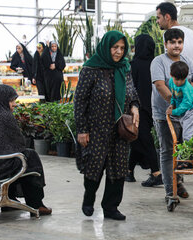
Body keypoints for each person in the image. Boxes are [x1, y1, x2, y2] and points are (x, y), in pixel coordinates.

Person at [74, 30, 140, 221]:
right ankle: (88, 200)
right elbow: (80, 101)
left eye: (122, 48)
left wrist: (135, 106)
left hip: (120, 128)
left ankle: (111, 207)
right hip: (97, 128)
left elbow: (131, 91)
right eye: (115, 47)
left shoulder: (124, 67)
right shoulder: (91, 69)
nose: (119, 52)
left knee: (118, 168)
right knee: (94, 166)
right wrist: (82, 130)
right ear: (106, 47)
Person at [151, 28, 193, 200]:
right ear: (165, 44)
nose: (176, 45)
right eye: (172, 42)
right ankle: (170, 191)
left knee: (183, 148)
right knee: (167, 150)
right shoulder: (158, 62)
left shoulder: (187, 60)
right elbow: (160, 86)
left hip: (185, 114)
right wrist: (173, 104)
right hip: (165, 113)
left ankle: (177, 180)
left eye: (179, 42)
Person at [0, 84, 52, 216]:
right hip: (0, 165)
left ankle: (9, 199)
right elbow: (18, 144)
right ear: (3, 100)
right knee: (29, 158)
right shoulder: (4, 117)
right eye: (11, 101)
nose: (14, 105)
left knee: (18, 157)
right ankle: (36, 204)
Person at [126, 34, 163, 187]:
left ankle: (156, 172)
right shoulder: (156, 63)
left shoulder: (133, 65)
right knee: (138, 137)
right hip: (154, 106)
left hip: (138, 107)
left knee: (143, 139)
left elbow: (129, 88)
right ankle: (128, 171)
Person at [156, 2, 193, 74]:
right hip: (191, 83)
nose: (157, 21)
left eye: (158, 18)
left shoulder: (168, 34)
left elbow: (170, 61)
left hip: (177, 82)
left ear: (167, 17)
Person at [166, 61, 193, 141]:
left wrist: (174, 112)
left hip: (190, 112)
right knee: (175, 138)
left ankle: (190, 153)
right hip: (180, 111)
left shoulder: (186, 88)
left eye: (182, 79)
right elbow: (174, 95)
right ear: (171, 75)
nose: (179, 82)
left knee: (188, 137)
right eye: (177, 79)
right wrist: (172, 104)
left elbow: (186, 104)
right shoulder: (171, 82)